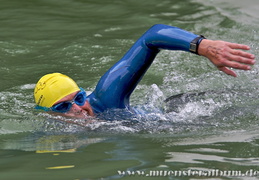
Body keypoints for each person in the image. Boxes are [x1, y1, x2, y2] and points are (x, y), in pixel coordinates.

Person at [34, 24, 256, 119]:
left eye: (79, 97)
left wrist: (203, 46)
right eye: (63, 106)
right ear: (50, 114)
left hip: (182, 112)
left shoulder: (107, 97)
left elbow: (151, 37)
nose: (78, 108)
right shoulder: (51, 134)